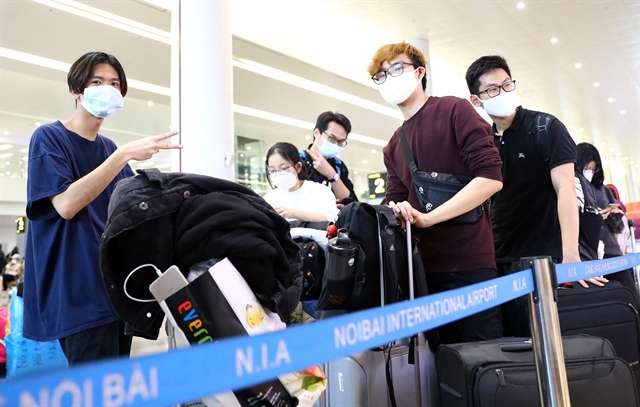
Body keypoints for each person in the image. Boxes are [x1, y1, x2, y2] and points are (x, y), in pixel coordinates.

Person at [23, 51, 182, 365]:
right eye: (97, 81)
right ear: (76, 89)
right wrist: (123, 155)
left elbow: (128, 214)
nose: (107, 88)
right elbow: (66, 204)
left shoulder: (107, 148)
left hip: (115, 292)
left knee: (115, 391)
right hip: (79, 294)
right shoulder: (50, 138)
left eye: (114, 83)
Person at [368, 42, 504, 344]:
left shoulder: (454, 109)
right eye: (380, 75)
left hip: (470, 261)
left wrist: (429, 218)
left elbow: (491, 178)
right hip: (423, 270)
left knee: (486, 358)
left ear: (419, 72)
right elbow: (396, 199)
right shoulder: (394, 144)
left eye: (396, 68)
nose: (388, 77)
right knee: (442, 368)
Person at [465, 55, 607, 336]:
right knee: (514, 346)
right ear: (476, 100)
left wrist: (570, 256)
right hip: (498, 260)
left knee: (548, 341)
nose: (502, 92)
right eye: (492, 89)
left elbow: (566, 189)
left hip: (543, 259)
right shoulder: (484, 140)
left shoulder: (545, 128)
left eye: (506, 84)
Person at [577, 143, 636, 292]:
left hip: (611, 251)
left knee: (630, 293)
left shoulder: (602, 189)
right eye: (586, 168)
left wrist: (614, 216)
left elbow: (618, 227)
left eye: (592, 169)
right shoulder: (572, 186)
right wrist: (592, 217)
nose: (589, 172)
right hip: (587, 253)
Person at [264, 142, 339, 223]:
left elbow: (333, 218)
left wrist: (294, 214)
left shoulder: (319, 191)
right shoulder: (270, 198)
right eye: (272, 170)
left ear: (298, 167)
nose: (278, 174)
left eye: (284, 168)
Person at [300, 111, 358, 205]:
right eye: (332, 138)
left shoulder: (338, 165)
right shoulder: (298, 161)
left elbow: (352, 204)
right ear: (317, 133)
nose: (336, 144)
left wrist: (332, 174)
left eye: (341, 141)